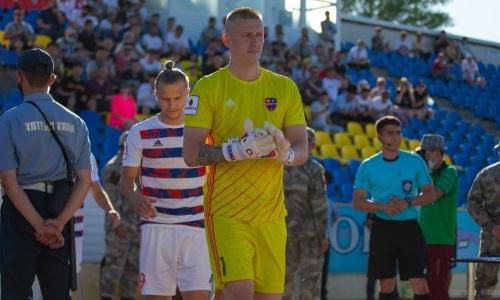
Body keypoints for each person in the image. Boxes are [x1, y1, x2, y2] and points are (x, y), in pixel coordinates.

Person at [182, 7, 308, 300]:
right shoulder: (208, 87)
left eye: (260, 35)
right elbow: (190, 153)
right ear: (227, 40)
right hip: (226, 212)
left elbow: (302, 147)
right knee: (239, 293)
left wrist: (286, 155)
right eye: (247, 35)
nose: (255, 42)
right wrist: (233, 150)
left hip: (272, 216)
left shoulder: (284, 87)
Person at [0, 48, 92, 299]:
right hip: (59, 209)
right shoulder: (76, 122)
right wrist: (57, 224)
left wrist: (37, 225)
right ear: (52, 79)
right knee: (58, 292)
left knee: (15, 291)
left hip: (21, 210)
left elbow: (8, 181)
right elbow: (85, 180)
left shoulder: (9, 120)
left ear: (19, 76)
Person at [121, 61, 211, 300]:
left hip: (197, 225)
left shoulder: (205, 131)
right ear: (155, 96)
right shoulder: (140, 132)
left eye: (178, 98)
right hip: (157, 225)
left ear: (188, 94)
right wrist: (135, 197)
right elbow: (126, 180)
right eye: (165, 99)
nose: (172, 105)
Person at [353, 116, 435, 300]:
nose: (395, 138)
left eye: (398, 133)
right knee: (387, 283)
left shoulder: (414, 161)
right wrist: (383, 207)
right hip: (383, 228)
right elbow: (358, 202)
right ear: (379, 137)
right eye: (390, 133)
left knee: (419, 284)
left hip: (410, 228)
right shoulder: (368, 165)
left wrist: (409, 202)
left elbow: (430, 194)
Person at [283, 127, 329, 300]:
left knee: (283, 280)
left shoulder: (280, 166)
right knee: (309, 282)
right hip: (309, 234)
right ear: (313, 147)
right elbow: (319, 205)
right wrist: (323, 236)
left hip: (284, 232)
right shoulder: (314, 169)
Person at [100, 131, 140, 300]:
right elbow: (112, 202)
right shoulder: (113, 168)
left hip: (136, 231)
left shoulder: (136, 167)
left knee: (132, 273)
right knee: (113, 270)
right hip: (119, 231)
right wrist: (118, 226)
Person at [417, 134, 458, 300]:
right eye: (424, 153)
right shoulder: (423, 174)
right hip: (421, 239)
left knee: (438, 288)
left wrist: (427, 172)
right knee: (421, 287)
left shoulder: (450, 171)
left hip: (441, 239)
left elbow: (433, 195)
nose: (427, 156)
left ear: (441, 152)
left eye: (430, 151)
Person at [467, 141, 500, 300]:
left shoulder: (485, 173)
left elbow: (473, 204)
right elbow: (473, 203)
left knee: (484, 286)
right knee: (484, 284)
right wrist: (491, 226)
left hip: (491, 236)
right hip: (491, 236)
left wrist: (491, 226)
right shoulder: (486, 174)